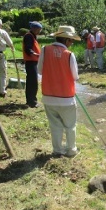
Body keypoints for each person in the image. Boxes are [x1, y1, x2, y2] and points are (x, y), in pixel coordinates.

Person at [38, 25, 80, 158]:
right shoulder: (69, 55)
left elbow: (39, 70)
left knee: (55, 125)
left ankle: (57, 150)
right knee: (70, 125)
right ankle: (71, 150)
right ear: (67, 40)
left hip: (48, 97)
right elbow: (75, 76)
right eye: (71, 40)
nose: (72, 43)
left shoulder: (44, 50)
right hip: (67, 97)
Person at [23, 21, 42, 108]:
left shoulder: (32, 36)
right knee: (32, 82)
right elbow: (28, 49)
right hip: (30, 61)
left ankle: (31, 101)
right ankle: (32, 102)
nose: (40, 31)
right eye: (39, 29)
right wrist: (35, 54)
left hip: (33, 61)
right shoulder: (28, 36)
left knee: (33, 81)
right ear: (34, 28)